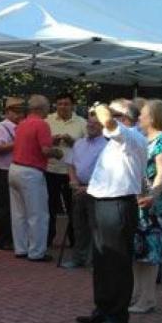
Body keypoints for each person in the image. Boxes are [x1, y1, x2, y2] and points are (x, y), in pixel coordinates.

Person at [75, 99, 147, 323]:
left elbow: (107, 122)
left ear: (125, 118)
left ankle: (116, 316)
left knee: (117, 262)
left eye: (113, 112)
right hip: (102, 200)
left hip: (118, 203)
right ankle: (103, 310)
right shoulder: (118, 139)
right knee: (102, 259)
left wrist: (100, 106)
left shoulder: (131, 136)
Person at [130, 99, 162, 314]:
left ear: (153, 117)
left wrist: (152, 196)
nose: (139, 117)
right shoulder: (145, 139)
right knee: (138, 251)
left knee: (150, 253)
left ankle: (147, 298)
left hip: (154, 207)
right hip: (140, 202)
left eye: (143, 113)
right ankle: (136, 294)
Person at [8, 94, 61, 261]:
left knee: (19, 213)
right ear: (41, 108)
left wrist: (48, 142)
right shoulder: (42, 124)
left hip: (14, 169)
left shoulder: (22, 124)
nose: (49, 110)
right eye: (48, 107)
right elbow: (45, 151)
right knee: (37, 214)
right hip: (31, 172)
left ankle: (21, 248)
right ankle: (37, 252)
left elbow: (28, 143)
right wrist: (57, 152)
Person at [61, 114, 108, 269]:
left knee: (96, 226)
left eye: (96, 123)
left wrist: (88, 188)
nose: (91, 125)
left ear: (103, 126)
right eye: (89, 122)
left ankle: (97, 261)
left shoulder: (107, 146)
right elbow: (70, 164)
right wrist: (73, 181)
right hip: (78, 188)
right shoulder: (79, 143)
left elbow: (107, 172)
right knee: (78, 225)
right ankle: (79, 259)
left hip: (96, 190)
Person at [46, 92, 87, 248]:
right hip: (50, 169)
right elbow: (40, 143)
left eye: (66, 104)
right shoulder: (47, 121)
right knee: (49, 206)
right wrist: (51, 141)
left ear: (73, 106)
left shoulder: (82, 123)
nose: (63, 107)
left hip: (72, 173)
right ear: (55, 105)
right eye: (60, 104)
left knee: (73, 209)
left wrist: (73, 142)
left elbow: (88, 146)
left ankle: (74, 240)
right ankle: (48, 238)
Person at [0, 97, 24, 250]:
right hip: (2, 171)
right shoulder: (1, 128)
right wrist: (18, 143)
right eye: (15, 111)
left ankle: (13, 238)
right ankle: (3, 240)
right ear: (7, 112)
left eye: (20, 112)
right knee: (5, 207)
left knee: (15, 206)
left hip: (15, 169)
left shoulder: (20, 126)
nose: (19, 115)